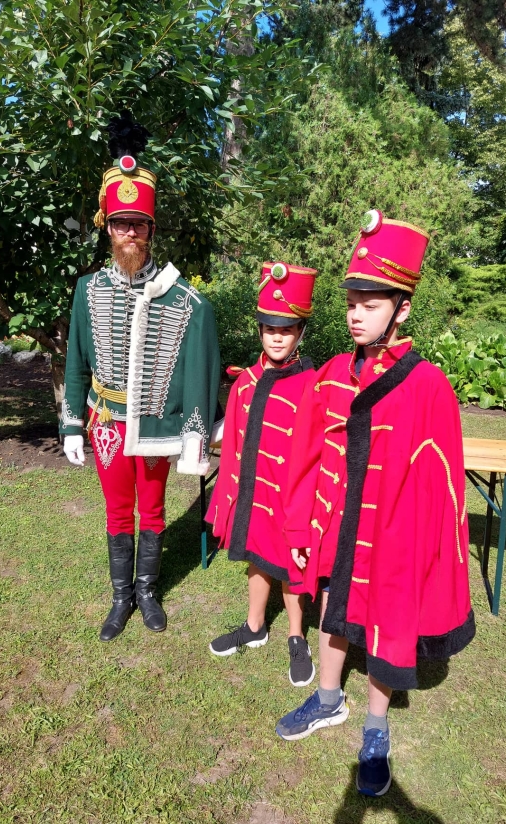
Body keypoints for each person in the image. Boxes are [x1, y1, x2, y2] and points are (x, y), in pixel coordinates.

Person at [275, 210, 475, 797]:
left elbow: (442, 483)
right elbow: (305, 456)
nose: (356, 314)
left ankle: (376, 727)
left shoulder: (427, 384)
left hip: (392, 535)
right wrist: (300, 525)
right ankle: (328, 698)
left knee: (386, 621)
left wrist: (424, 551)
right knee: (332, 605)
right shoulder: (332, 374)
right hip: (335, 523)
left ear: (401, 309)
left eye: (370, 303)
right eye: (351, 303)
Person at [61, 112, 221, 640]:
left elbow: (198, 362)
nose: (129, 232)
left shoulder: (181, 297)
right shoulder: (88, 290)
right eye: (120, 223)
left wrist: (197, 430)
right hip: (107, 422)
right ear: (106, 227)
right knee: (116, 512)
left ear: (152, 230)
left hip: (153, 425)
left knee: (151, 510)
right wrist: (71, 424)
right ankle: (120, 597)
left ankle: (148, 592)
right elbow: (76, 360)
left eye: (139, 224)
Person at [207, 261, 319, 687]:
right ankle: (255, 626)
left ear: (300, 332)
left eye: (286, 329)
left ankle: (296, 636)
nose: (276, 336)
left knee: (290, 566)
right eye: (270, 328)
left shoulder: (312, 384)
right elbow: (233, 450)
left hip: (291, 499)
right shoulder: (246, 381)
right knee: (256, 557)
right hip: (252, 494)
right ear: (259, 330)